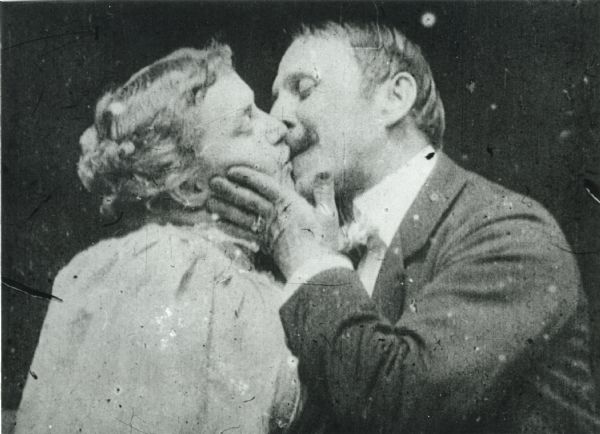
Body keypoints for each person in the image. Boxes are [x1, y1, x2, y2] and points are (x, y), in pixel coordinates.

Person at [209, 22, 600, 433]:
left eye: (303, 89)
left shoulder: (509, 234)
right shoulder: (329, 245)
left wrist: (306, 257)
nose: (277, 119)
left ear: (394, 99)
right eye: (275, 98)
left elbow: (401, 402)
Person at [16, 44, 300, 433]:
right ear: (189, 187)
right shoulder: (177, 271)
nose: (279, 128)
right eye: (245, 123)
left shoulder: (228, 271)